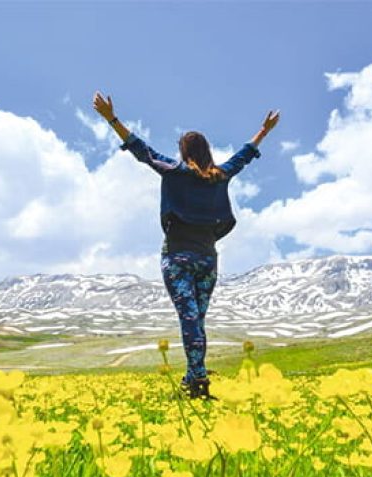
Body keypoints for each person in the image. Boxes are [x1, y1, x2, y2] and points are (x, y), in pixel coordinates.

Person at [93, 91, 279, 399]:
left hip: (178, 258)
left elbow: (141, 150)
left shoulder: (175, 171)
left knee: (190, 320)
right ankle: (196, 378)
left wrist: (112, 118)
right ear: (206, 151)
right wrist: (264, 131)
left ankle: (197, 382)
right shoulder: (220, 175)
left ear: (183, 152)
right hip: (208, 260)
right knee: (196, 320)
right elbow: (243, 156)